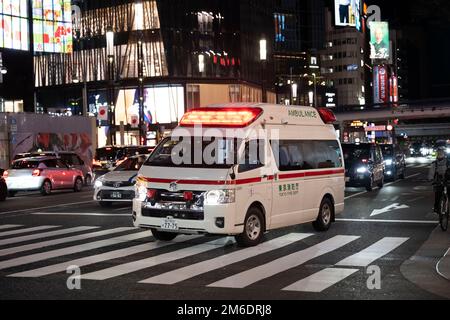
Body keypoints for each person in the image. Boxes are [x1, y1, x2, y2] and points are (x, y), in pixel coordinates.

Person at [428, 149, 450, 213]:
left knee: (441, 194)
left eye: (441, 154)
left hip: (447, 179)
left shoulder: (448, 162)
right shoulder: (434, 163)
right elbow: (431, 173)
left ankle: (438, 208)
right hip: (438, 181)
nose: (440, 156)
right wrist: (431, 179)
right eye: (439, 154)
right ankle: (437, 208)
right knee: (438, 194)